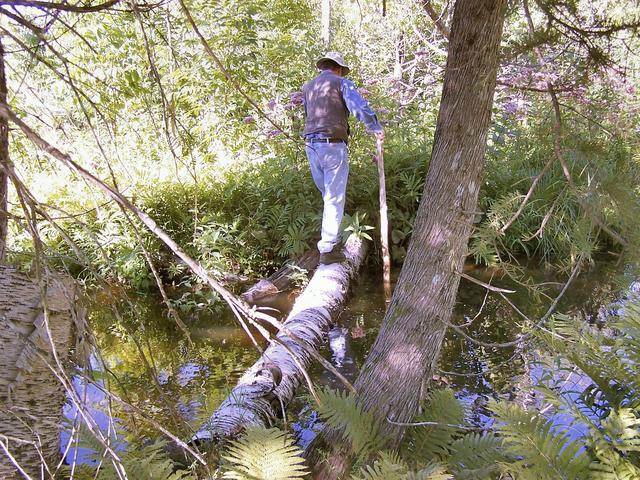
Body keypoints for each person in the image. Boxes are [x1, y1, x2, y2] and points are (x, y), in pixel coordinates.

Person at [302, 51, 384, 265]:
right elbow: (359, 107)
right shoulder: (341, 83)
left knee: (328, 195)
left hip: (311, 145)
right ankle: (329, 249)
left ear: (323, 67)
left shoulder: (308, 87)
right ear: (338, 68)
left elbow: (308, 115)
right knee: (334, 197)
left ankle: (331, 241)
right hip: (332, 145)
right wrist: (375, 126)